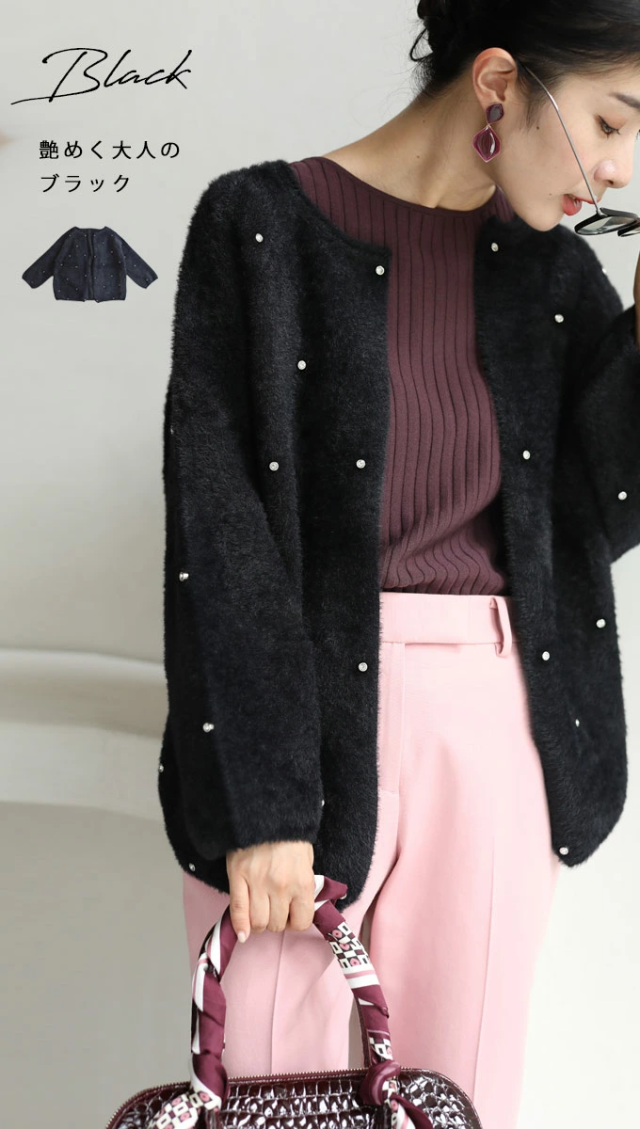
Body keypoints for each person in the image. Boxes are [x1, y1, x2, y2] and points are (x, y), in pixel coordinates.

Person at [162, 4, 640, 1128]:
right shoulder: (258, 227)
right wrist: (266, 803)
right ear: (498, 82)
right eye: (611, 122)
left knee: (460, 1099)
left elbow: (585, 527)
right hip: (296, 721)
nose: (619, 170)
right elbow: (220, 527)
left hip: (495, 723)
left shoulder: (557, 276)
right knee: (267, 1091)